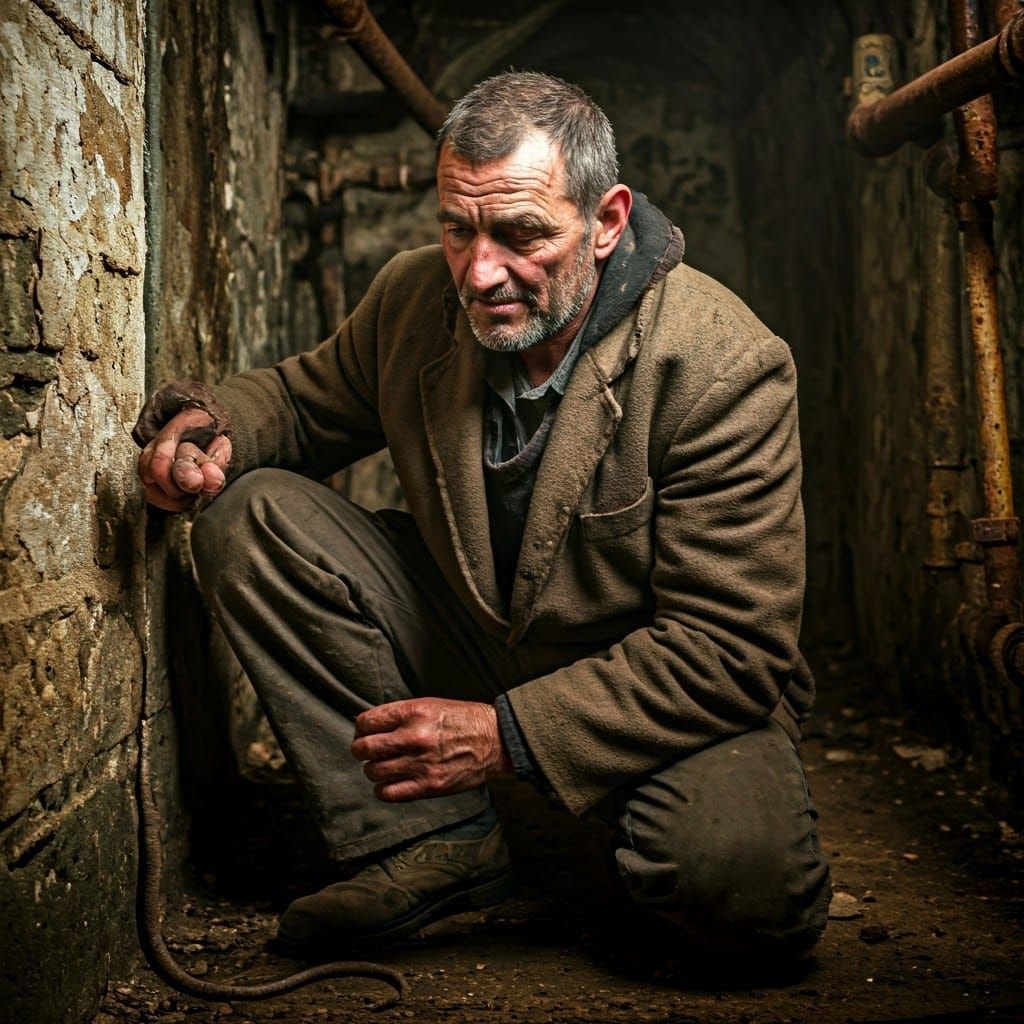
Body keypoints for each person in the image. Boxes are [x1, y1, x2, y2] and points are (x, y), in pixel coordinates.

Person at [134, 72, 831, 958]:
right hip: (476, 631)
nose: (480, 270)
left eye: (520, 233)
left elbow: (732, 649)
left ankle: (567, 835)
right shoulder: (415, 297)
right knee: (252, 513)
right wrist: (215, 429)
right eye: (457, 229)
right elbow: (307, 405)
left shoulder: (721, 364)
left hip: (655, 688)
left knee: (741, 890)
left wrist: (507, 737)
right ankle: (434, 845)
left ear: (608, 221)